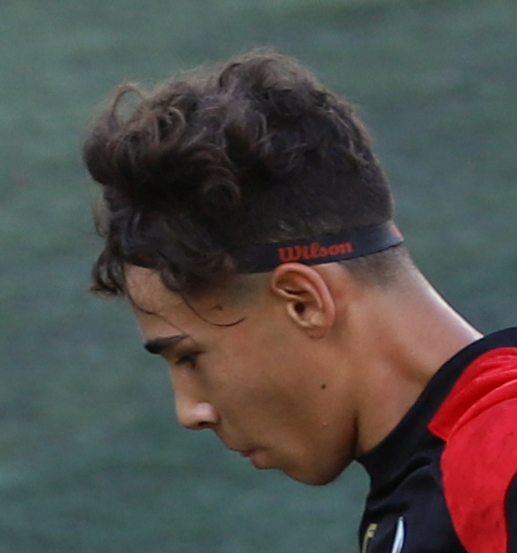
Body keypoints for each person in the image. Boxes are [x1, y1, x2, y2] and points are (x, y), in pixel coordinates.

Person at [82, 50, 517, 552]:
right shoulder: (440, 482)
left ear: (303, 302)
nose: (191, 411)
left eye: (189, 357)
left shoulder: (500, 464)